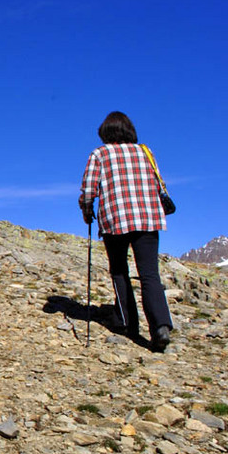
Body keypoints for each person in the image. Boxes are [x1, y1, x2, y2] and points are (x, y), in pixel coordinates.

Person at [79, 111, 174, 352]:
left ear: (106, 132)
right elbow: (157, 181)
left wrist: (87, 209)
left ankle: (127, 322)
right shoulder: (145, 152)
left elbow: (89, 190)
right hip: (149, 218)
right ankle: (160, 326)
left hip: (116, 219)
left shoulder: (100, 154)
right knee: (150, 274)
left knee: (119, 270)